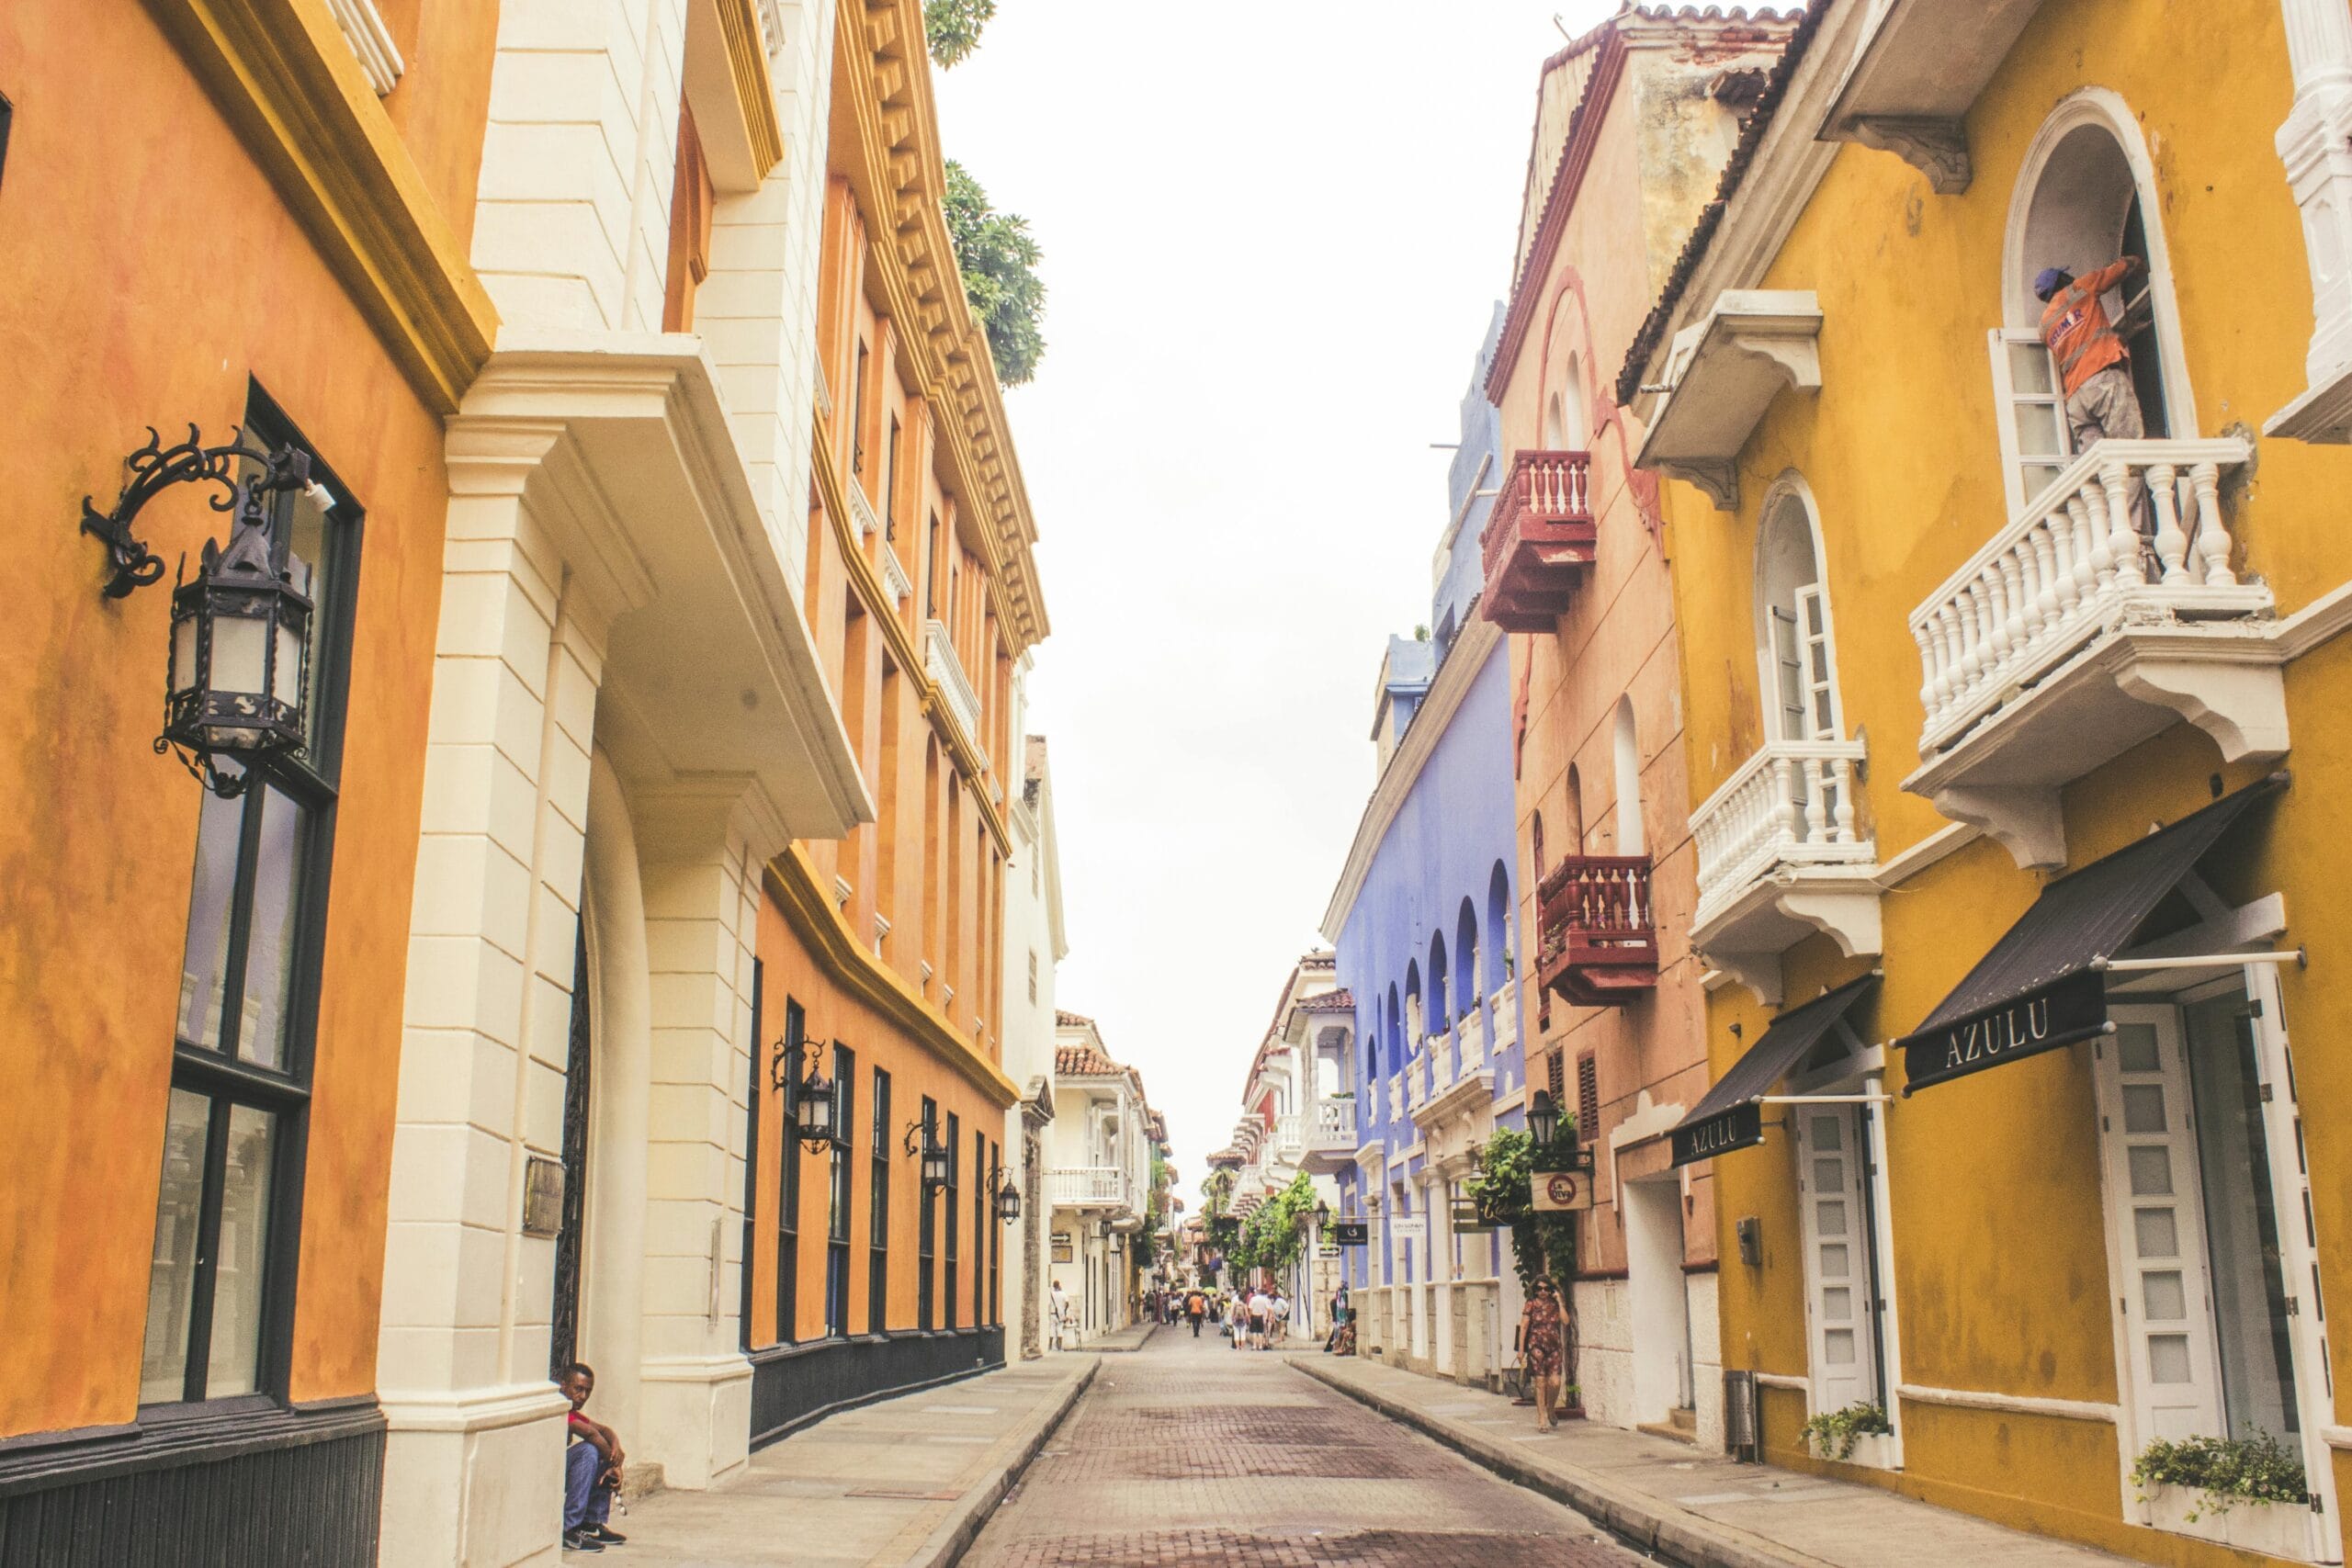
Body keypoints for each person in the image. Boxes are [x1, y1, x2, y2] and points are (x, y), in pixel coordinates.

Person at [2035, 257, 2154, 545]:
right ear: (2061, 283)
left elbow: (2082, 339)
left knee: (2098, 472)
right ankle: (2130, 533)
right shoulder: (2079, 289)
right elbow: (2113, 272)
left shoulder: (2046, 325)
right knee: (2129, 454)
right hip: (2103, 382)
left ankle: (2103, 535)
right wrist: (2135, 261)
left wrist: (2120, 335)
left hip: (2077, 399)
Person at [558, 1362, 628, 1552]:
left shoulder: (572, 1411)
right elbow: (591, 1435)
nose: (583, 1396)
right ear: (563, 1385)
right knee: (590, 1451)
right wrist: (616, 1466)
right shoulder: (559, 1411)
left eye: (588, 1391)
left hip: (558, 1470)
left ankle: (591, 1523)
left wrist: (615, 1448)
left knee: (601, 1452)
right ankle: (569, 1528)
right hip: (543, 1472)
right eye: (578, 1389)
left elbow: (605, 1430)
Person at [1520, 1279, 1567, 1431]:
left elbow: (1566, 1321)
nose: (1543, 1292)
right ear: (1535, 1290)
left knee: (1555, 1382)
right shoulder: (1531, 1304)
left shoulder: (1555, 1305)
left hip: (1554, 1348)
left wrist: (1560, 1302)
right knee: (1540, 1383)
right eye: (1540, 1289)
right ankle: (1542, 1418)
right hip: (1536, 1347)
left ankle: (1551, 1408)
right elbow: (1524, 1326)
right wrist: (1521, 1350)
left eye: (1547, 1289)